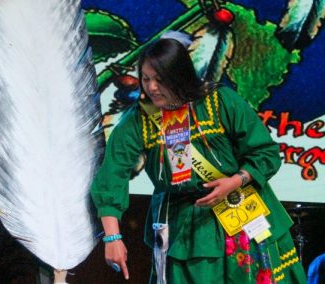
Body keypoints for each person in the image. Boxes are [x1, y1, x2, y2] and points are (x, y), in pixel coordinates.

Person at [91, 38, 306, 283]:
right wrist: (112, 238)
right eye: (146, 78)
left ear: (179, 75)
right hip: (189, 233)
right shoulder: (139, 120)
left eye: (159, 79)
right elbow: (112, 176)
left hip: (245, 214)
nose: (151, 87)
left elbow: (265, 153)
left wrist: (236, 181)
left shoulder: (221, 101)